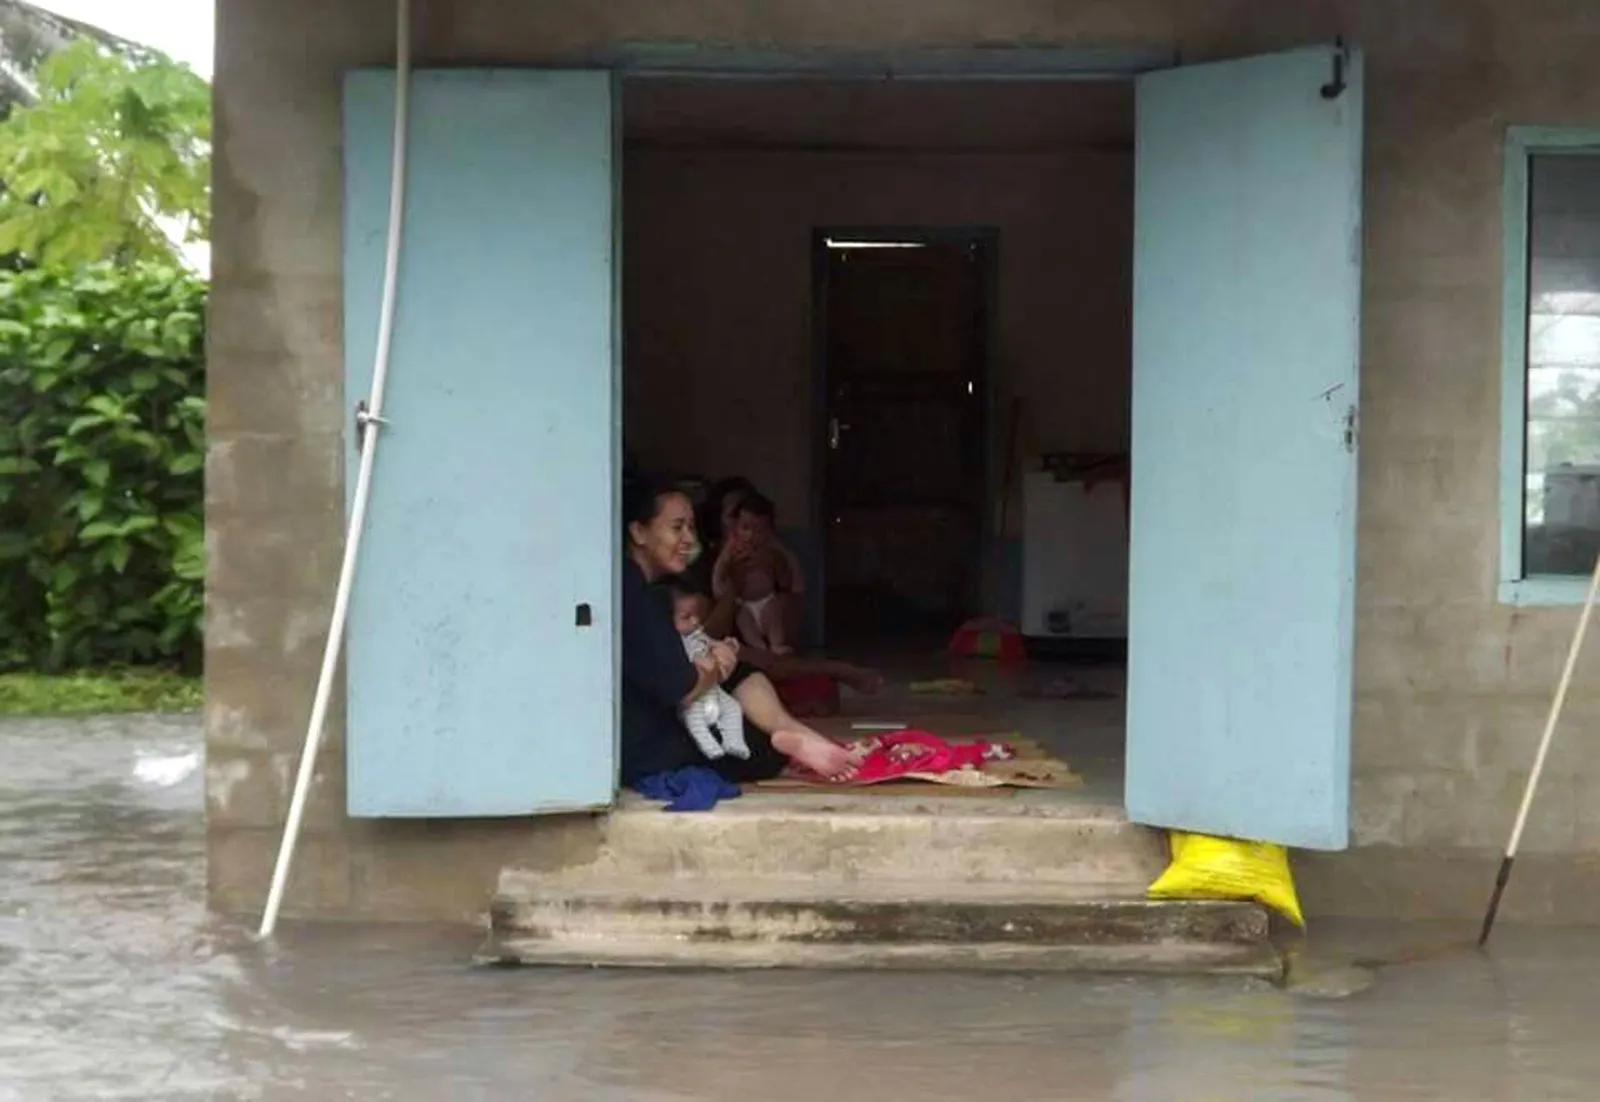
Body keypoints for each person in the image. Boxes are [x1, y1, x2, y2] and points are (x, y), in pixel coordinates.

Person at [621, 474, 856, 784]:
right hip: (644, 746)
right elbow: (682, 688)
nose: (689, 539)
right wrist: (716, 667)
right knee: (759, 749)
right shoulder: (634, 594)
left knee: (742, 671)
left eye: (691, 527)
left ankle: (795, 731)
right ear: (639, 532)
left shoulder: (650, 585)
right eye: (677, 528)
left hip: (665, 712)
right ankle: (791, 739)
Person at [665, 575, 750, 762]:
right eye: (686, 617)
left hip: (712, 689)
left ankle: (734, 741)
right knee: (694, 718)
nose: (695, 621)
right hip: (693, 693)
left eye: (696, 615)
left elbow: (711, 643)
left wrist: (726, 647)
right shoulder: (673, 643)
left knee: (733, 707)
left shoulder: (696, 635)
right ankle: (708, 746)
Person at [713, 491, 804, 656]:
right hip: (743, 601)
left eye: (759, 531)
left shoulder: (771, 545)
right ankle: (759, 647)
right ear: (735, 526)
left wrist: (792, 582)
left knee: (774, 611)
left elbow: (790, 563)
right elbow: (720, 567)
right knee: (743, 618)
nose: (751, 536)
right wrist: (718, 588)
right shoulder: (732, 547)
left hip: (767, 598)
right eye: (745, 528)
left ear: (769, 531)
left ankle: (776, 644)